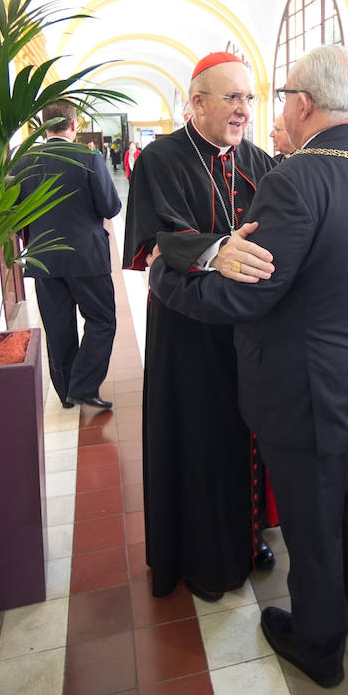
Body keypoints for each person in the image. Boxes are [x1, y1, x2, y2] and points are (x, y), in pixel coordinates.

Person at [148, 45, 348, 688]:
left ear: (302, 103)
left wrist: (169, 280)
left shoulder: (295, 178)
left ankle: (319, 645)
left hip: (307, 391)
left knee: (313, 523)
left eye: (272, 99)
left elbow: (248, 292)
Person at [123, 51, 278, 601]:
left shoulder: (259, 161)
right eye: (231, 97)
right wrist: (218, 250)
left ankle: (249, 534)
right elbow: (155, 238)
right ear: (197, 103)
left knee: (246, 435)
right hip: (187, 332)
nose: (243, 109)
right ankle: (197, 555)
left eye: (249, 99)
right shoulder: (161, 159)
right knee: (198, 437)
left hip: (247, 331)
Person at [15, 101, 120, 409]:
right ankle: (83, 385)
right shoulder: (89, 157)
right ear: (74, 126)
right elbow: (110, 207)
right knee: (102, 320)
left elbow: (15, 213)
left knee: (58, 326)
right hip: (86, 257)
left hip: (44, 257)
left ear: (43, 127)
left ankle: (65, 393)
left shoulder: (24, 161)